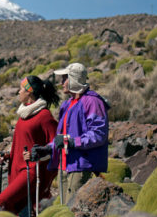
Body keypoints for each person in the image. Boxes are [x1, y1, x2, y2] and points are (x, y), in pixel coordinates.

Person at [31, 63, 110, 202]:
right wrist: (47, 148)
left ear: (74, 79)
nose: (61, 83)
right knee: (65, 208)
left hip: (81, 166)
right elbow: (61, 137)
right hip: (65, 165)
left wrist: (72, 142)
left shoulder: (92, 102)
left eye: (65, 79)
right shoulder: (67, 105)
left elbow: (98, 134)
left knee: (73, 209)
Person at [0, 75, 59, 217]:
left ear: (29, 92)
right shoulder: (23, 114)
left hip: (31, 171)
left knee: (2, 201)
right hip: (17, 168)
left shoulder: (44, 115)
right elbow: (23, 143)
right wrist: (8, 155)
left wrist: (39, 155)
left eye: (21, 89)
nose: (18, 92)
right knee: (24, 210)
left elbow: (55, 146)